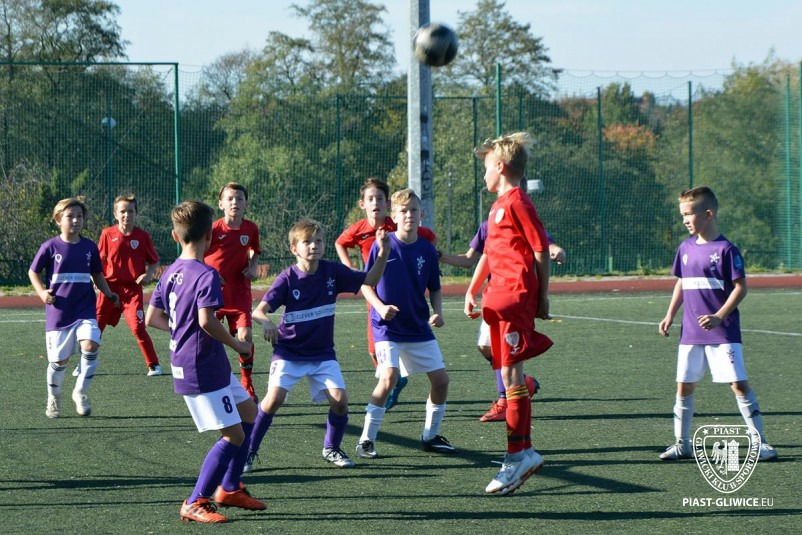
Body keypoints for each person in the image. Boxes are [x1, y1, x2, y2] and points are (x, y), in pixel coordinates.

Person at [146, 200, 265, 524]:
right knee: (234, 436)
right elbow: (206, 321)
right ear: (210, 237)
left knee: (250, 414)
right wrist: (238, 344)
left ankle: (230, 488)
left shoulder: (170, 272)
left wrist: (180, 329)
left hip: (206, 362)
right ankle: (196, 501)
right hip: (200, 365)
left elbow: (152, 318)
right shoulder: (206, 274)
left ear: (176, 235)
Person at [243, 219, 390, 473]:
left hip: (322, 354)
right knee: (274, 399)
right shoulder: (287, 278)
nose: (314, 246)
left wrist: (383, 252)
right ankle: (248, 451)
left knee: (340, 401)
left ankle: (331, 448)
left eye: (318, 241)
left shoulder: (332, 271)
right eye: (307, 242)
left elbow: (370, 278)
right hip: (289, 352)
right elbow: (258, 311)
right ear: (294, 249)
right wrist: (266, 322)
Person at [658, 186, 778, 462]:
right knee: (684, 387)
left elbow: (741, 288)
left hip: (723, 332)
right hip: (691, 333)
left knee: (738, 385)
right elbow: (682, 283)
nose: (685, 220)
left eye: (689, 214)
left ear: (708, 214)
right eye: (682, 215)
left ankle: (760, 443)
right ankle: (682, 444)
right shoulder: (685, 248)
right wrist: (670, 314)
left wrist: (719, 316)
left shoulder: (726, 249)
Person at [465, 133, 554, 496]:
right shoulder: (498, 205)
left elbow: (540, 249)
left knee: (512, 375)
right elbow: (491, 252)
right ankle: (522, 453)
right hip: (499, 296)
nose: (483, 174)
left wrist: (542, 296)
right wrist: (474, 289)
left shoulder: (518, 201)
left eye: (486, 167)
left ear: (500, 167)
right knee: (507, 374)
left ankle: (518, 455)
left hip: (515, 296)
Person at [355, 189, 456, 459]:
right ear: (394, 216)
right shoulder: (382, 244)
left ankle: (430, 436)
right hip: (387, 327)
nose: (409, 215)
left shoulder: (427, 249)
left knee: (441, 381)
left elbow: (435, 288)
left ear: (422, 214)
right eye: (403, 211)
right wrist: (380, 307)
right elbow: (366, 285)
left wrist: (438, 312)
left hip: (417, 327)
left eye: (413, 210)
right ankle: (366, 440)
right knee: (389, 377)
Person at [440, 217, 565, 421]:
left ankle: (506, 403)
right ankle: (522, 384)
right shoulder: (489, 224)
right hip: (496, 295)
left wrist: (556, 249)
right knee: (486, 346)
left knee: (507, 354)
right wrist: (439, 257)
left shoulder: (523, 217)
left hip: (516, 296)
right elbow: (474, 258)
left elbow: (543, 244)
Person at [335, 177, 437, 410]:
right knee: (373, 350)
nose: (375, 203)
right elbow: (339, 242)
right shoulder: (359, 229)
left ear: (387, 204)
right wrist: (349, 267)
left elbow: (429, 237)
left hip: (396, 292)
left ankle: (390, 381)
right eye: (371, 199)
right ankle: (394, 380)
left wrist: (426, 257)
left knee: (394, 341)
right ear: (362, 204)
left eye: (380, 198)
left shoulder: (396, 225)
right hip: (373, 291)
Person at [28, 197, 120, 419]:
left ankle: (80, 392)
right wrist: (42, 293)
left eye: (79, 216)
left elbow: (96, 273)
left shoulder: (89, 247)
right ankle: (54, 397)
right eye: (70, 216)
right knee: (59, 362)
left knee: (91, 345)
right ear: (58, 220)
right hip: (59, 312)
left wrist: (108, 293)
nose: (76, 220)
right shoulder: (49, 247)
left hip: (84, 309)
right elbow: (33, 272)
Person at [75, 194, 162, 377]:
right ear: (116, 214)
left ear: (136, 213)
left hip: (132, 291)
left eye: (130, 211)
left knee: (138, 327)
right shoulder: (107, 234)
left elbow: (154, 261)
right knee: (96, 327)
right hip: (109, 289)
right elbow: (98, 261)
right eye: (122, 211)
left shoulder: (142, 236)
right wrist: (96, 280)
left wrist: (148, 274)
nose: (126, 215)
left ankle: (154, 365)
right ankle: (83, 365)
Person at [204, 182, 262, 402]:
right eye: (229, 199)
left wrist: (253, 266)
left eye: (239, 199)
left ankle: (247, 383)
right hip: (214, 295)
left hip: (240, 294)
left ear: (246, 204)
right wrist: (209, 273)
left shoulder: (251, 229)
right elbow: (197, 255)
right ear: (221, 204)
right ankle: (212, 384)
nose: (234, 202)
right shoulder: (212, 230)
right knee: (208, 341)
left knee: (245, 337)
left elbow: (256, 250)